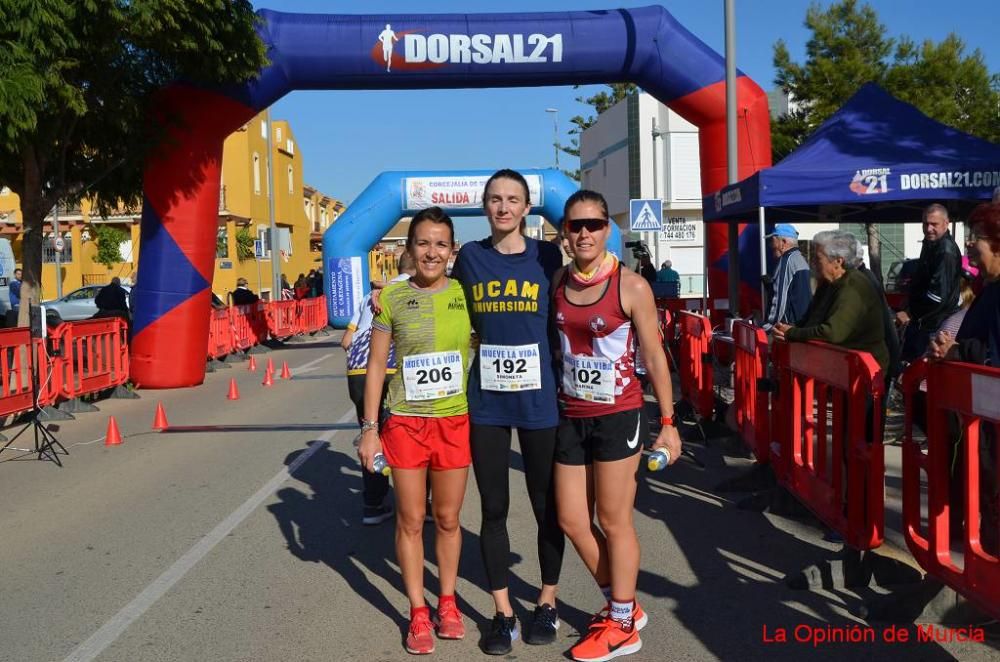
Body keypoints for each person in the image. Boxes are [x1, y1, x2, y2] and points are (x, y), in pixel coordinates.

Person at [553, 190, 681, 662]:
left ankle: (623, 624)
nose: (584, 232)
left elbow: (654, 356)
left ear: (607, 229)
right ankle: (622, 606)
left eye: (593, 223)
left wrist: (668, 423)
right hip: (572, 413)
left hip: (619, 414)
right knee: (571, 518)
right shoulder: (558, 281)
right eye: (575, 225)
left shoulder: (631, 286)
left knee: (613, 519)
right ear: (564, 233)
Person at [450, 169, 566, 654]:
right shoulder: (471, 259)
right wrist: (386, 299)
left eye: (512, 199)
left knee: (547, 507)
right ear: (485, 206)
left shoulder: (546, 254)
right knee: (493, 508)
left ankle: (547, 602)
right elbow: (445, 306)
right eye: (495, 199)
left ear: (526, 207)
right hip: (488, 404)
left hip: (540, 402)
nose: (503, 207)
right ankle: (502, 614)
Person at [358, 206, 472, 656]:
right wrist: (370, 430)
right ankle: (417, 610)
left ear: (452, 250)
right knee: (409, 519)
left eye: (440, 244)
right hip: (404, 422)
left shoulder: (467, 294)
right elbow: (375, 367)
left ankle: (448, 603)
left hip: (454, 420)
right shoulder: (389, 299)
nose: (431, 252)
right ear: (410, 249)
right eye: (422, 243)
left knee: (446, 519)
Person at [342, 254, 415, 525]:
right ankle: (423, 504)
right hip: (393, 367)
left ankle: (373, 504)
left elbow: (346, 340)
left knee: (371, 435)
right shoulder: (416, 289)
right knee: (410, 434)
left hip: (358, 372)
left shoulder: (368, 297)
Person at [774, 230, 889, 374]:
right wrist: (785, 330)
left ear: (838, 262)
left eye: (817, 258)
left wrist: (792, 333)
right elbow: (809, 320)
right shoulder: (827, 285)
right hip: (838, 370)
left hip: (861, 374)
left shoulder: (853, 286)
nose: (812, 263)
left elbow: (832, 333)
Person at [897, 203, 962, 361]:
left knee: (922, 375)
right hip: (924, 323)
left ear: (946, 224)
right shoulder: (931, 243)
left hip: (935, 325)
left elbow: (937, 296)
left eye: (934, 224)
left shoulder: (945, 251)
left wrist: (910, 313)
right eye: (926, 224)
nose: (929, 229)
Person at [761, 223, 811, 332]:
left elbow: (780, 299)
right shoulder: (800, 259)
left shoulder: (786, 261)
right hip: (801, 327)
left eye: (772, 241)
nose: (770, 245)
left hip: (786, 330)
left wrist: (769, 326)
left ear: (783, 243)